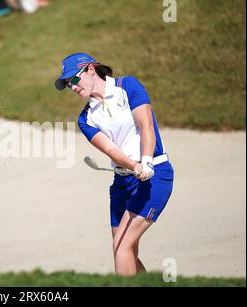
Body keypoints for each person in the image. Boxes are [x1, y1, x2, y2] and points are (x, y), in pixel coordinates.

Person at [54, 53, 174, 276]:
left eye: (74, 79)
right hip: (123, 183)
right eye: (68, 84)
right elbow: (111, 150)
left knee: (122, 248)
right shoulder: (86, 118)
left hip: (155, 175)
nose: (72, 87)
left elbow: (146, 125)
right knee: (125, 252)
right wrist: (132, 165)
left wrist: (145, 162)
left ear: (91, 69)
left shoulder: (127, 86)